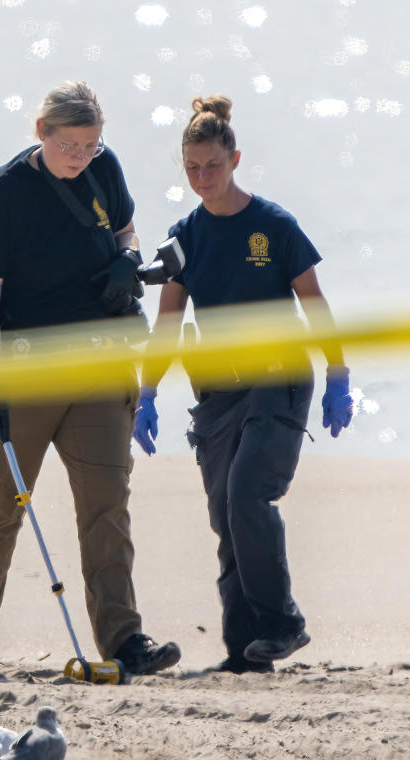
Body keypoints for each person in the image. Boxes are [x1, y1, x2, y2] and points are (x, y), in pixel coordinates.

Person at [0, 80, 180, 678]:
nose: (81, 157)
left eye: (91, 144)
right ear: (41, 134)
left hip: (101, 367)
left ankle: (124, 639)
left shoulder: (105, 169)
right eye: (70, 145)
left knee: (107, 506)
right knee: (0, 506)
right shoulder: (4, 192)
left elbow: (127, 230)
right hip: (24, 369)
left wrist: (127, 262)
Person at [133, 95, 354, 675]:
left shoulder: (274, 226)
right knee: (224, 515)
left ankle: (284, 623)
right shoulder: (184, 238)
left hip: (276, 383)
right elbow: (167, 323)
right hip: (217, 394)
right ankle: (244, 647)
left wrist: (338, 374)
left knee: (247, 496)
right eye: (191, 169)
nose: (202, 178)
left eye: (212, 165)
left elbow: (315, 304)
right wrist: (147, 392)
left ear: (235, 158)